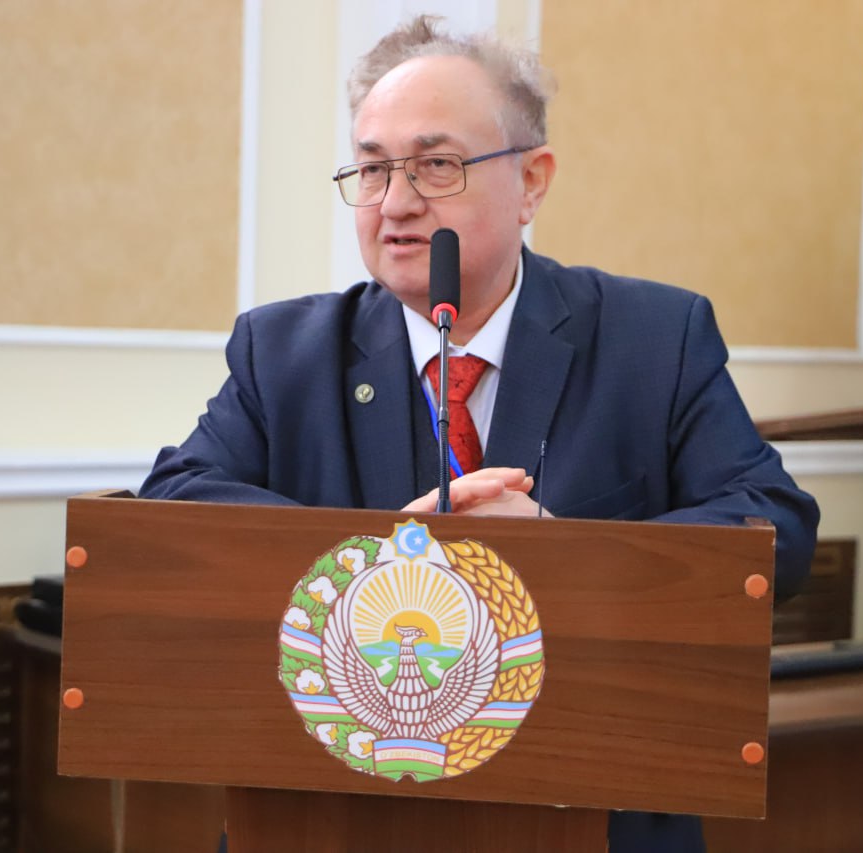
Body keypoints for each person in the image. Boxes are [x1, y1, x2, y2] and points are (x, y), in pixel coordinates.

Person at [141, 15, 818, 852]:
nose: (395, 204)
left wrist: (568, 553)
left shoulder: (655, 338)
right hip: (333, 812)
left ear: (532, 181)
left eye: (436, 165)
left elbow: (777, 527)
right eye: (373, 167)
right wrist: (382, 558)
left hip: (590, 804)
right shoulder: (283, 351)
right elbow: (171, 508)